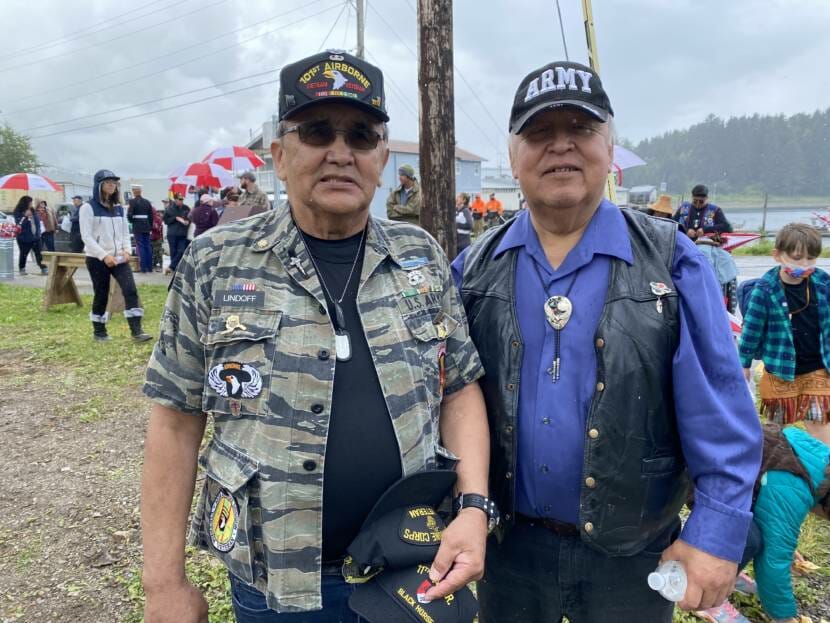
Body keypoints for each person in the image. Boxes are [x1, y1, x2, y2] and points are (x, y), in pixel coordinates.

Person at [140, 49, 491, 623]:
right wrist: (163, 585)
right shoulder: (216, 262)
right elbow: (175, 423)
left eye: (360, 135)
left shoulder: (419, 257)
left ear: (381, 155)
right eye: (317, 131)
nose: (339, 153)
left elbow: (460, 388)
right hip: (277, 583)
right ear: (280, 155)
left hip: (411, 565)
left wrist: (474, 507)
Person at [452, 60, 762, 622]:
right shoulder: (471, 270)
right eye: (540, 132)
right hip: (506, 550)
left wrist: (717, 533)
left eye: (581, 129)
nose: (561, 146)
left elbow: (720, 409)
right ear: (513, 157)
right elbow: (445, 400)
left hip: (633, 553)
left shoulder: (672, 261)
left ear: (610, 148)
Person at [739, 223, 830, 445]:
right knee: (778, 431)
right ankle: (781, 473)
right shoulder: (765, 289)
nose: (805, 265)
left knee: (819, 425)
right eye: (798, 258)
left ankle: (825, 471)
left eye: (811, 258)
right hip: (779, 371)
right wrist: (743, 365)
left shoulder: (823, 281)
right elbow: (751, 329)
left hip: (817, 368)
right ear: (778, 255)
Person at [748, 423, 829, 623]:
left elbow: (772, 512)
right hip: (696, 481)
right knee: (752, 539)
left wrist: (788, 548)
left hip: (730, 475)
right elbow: (772, 562)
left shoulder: (813, 455)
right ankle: (710, 588)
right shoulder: (795, 483)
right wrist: (784, 617)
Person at [78, 169, 151, 342]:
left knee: (130, 290)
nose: (112, 185)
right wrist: (104, 256)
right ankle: (99, 331)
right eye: (108, 182)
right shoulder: (88, 208)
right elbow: (86, 237)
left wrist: (127, 250)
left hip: (119, 258)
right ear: (99, 185)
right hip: (97, 259)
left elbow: (125, 232)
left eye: (114, 182)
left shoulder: (119, 209)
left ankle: (137, 331)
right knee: (101, 293)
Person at [13, 195, 47, 275]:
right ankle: (22, 268)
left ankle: (44, 268)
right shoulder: (18, 211)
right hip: (24, 237)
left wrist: (38, 233)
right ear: (25, 203)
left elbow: (37, 222)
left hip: (36, 237)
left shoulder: (33, 210)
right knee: (24, 253)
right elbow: (19, 224)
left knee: (39, 253)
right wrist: (25, 216)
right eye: (30, 202)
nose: (31, 204)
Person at [128, 184, 155, 273]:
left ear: (134, 191)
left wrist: (131, 221)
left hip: (138, 226)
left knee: (141, 246)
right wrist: (150, 226)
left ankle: (143, 268)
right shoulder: (147, 202)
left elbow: (129, 215)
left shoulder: (132, 202)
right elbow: (151, 216)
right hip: (146, 226)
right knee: (147, 246)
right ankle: (150, 267)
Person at [163, 193, 191, 275]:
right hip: (172, 233)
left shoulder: (186, 208)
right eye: (179, 199)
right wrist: (175, 218)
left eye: (182, 199)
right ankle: (174, 269)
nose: (181, 201)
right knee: (173, 252)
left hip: (183, 233)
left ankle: (171, 266)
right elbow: (166, 221)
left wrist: (187, 222)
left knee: (181, 250)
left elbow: (190, 218)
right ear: (175, 199)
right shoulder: (170, 208)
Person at [150, 203, 164, 271]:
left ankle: (155, 264)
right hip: (157, 237)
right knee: (157, 252)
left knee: (156, 252)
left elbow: (157, 228)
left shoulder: (154, 219)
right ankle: (158, 264)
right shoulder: (158, 218)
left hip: (155, 238)